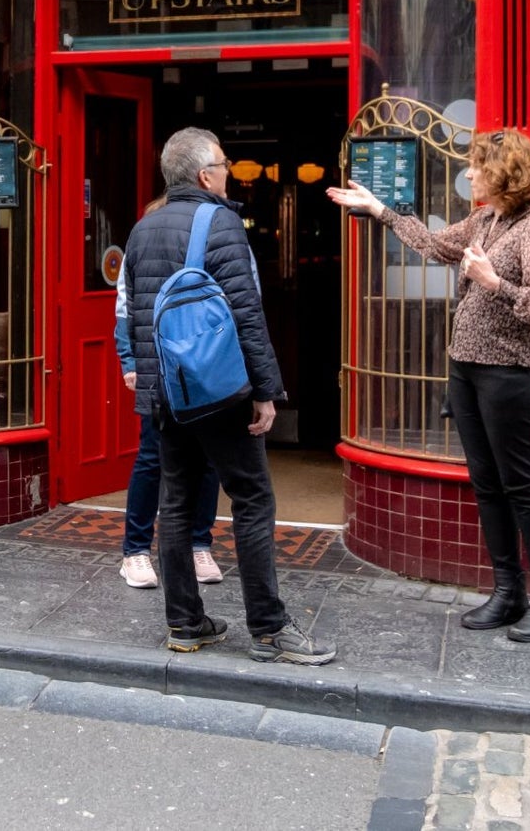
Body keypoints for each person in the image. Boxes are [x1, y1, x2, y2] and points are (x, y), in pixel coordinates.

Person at [327, 127, 530, 643]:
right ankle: (509, 593)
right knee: (487, 484)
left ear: (504, 173)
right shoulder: (487, 218)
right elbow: (438, 246)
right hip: (467, 369)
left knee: (522, 485)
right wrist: (381, 210)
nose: (471, 173)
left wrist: (494, 284)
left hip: (513, 374)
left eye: (479, 165)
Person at [124, 127, 334, 665]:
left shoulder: (143, 229)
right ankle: (269, 627)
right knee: (253, 499)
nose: (229, 170)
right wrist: (266, 392)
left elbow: (138, 316)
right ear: (203, 174)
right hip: (218, 391)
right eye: (223, 162)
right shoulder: (219, 221)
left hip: (166, 394)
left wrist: (146, 384)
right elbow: (246, 312)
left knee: (175, 502)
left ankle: (186, 624)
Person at [114, 203, 223, 590]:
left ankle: (199, 544)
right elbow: (126, 308)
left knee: (207, 458)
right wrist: (130, 361)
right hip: (157, 367)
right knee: (151, 456)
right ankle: (135, 551)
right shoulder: (142, 239)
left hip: (200, 363)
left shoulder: (209, 237)